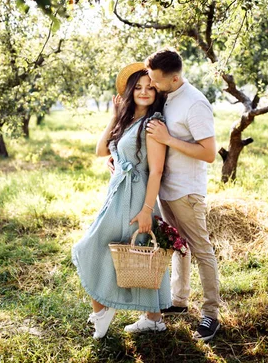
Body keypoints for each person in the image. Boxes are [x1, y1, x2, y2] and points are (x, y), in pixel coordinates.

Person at [72, 62, 172, 339]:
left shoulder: (154, 124)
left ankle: (103, 312)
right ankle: (153, 318)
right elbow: (100, 150)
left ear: (157, 91)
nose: (143, 91)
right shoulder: (127, 119)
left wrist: (147, 211)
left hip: (137, 195)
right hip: (118, 191)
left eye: (149, 87)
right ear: (129, 91)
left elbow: (157, 170)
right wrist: (114, 117)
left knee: (98, 247)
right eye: (137, 87)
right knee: (136, 252)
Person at [144, 48, 221, 342]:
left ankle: (211, 315)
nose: (151, 84)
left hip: (187, 192)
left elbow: (209, 153)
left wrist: (168, 139)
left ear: (175, 78)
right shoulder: (169, 96)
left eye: (155, 80)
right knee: (180, 246)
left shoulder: (195, 104)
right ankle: (179, 299)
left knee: (201, 250)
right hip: (167, 189)